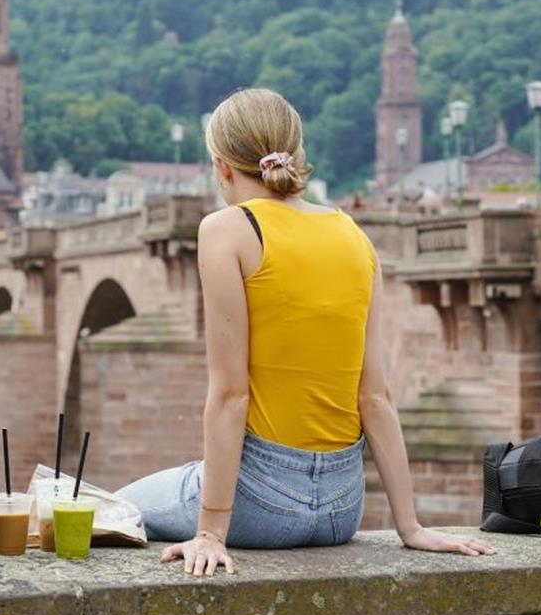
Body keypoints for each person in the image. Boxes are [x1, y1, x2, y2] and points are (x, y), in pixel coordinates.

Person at [115, 88, 497, 576]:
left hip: (261, 504)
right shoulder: (354, 236)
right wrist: (411, 527)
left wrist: (210, 531)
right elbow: (376, 398)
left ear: (222, 166)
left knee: (98, 508)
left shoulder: (226, 229)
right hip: (341, 510)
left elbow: (231, 395)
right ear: (298, 155)